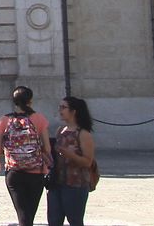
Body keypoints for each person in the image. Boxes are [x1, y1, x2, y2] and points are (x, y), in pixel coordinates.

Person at [0, 86, 52, 226]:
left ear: (14, 101)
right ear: (30, 101)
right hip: (36, 173)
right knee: (29, 215)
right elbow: (48, 148)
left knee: (22, 215)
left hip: (14, 173)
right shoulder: (39, 119)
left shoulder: (4, 120)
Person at [48, 97, 98, 226]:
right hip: (56, 182)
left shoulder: (83, 134)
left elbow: (88, 162)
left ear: (73, 111)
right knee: (54, 220)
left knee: (75, 220)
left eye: (63, 107)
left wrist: (70, 155)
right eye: (59, 107)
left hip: (76, 184)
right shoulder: (60, 130)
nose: (60, 110)